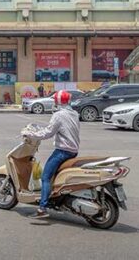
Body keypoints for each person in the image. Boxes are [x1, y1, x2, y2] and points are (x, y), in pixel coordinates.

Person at [24, 90, 81, 221]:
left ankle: (42, 208)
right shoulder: (74, 113)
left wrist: (30, 134)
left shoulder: (58, 115)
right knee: (54, 176)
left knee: (45, 177)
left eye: (56, 100)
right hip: (73, 150)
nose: (55, 102)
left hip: (63, 151)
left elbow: (48, 133)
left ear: (59, 102)